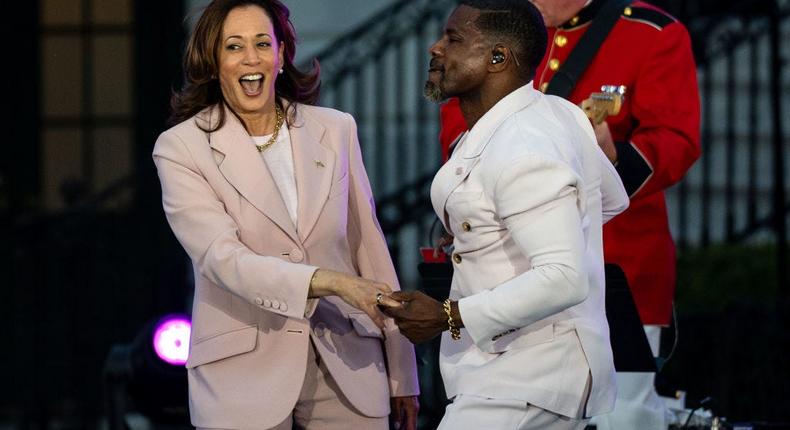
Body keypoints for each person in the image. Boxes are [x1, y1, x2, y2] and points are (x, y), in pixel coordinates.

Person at [152, 1, 419, 428]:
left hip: (348, 366)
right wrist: (329, 282)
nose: (251, 58)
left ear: (281, 55)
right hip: (242, 377)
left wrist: (403, 372)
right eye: (233, 47)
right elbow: (223, 260)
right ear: (213, 61)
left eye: (262, 43)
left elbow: (369, 248)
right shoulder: (181, 147)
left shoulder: (335, 129)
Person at [438, 1, 701, 428]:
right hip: (504, 271)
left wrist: (611, 158)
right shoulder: (503, 25)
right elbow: (459, 119)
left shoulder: (652, 33)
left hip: (617, 263)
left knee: (622, 415)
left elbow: (677, 138)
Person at [380, 1, 629, 428]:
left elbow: (565, 276)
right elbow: (604, 199)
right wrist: (480, 225)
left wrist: (448, 315)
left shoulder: (525, 144)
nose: (435, 48)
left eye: (454, 39)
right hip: (519, 374)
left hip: (528, 376)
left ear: (498, 57)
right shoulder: (553, 111)